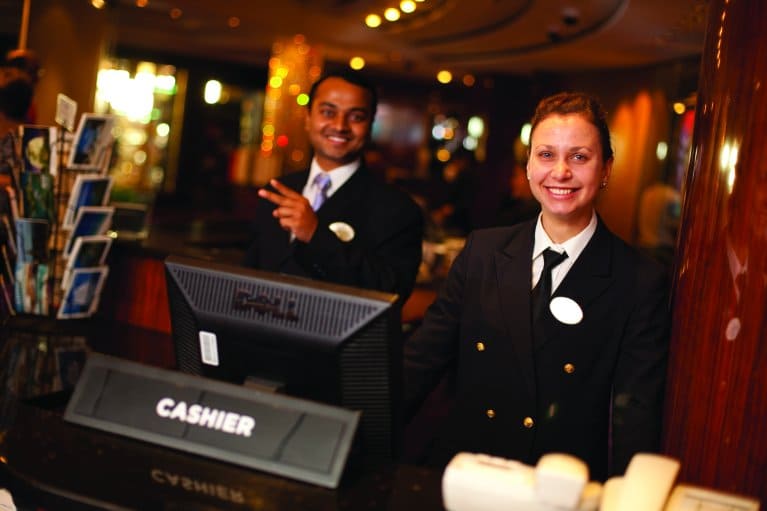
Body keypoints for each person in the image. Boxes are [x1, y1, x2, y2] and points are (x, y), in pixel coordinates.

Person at [403, 91, 670, 481]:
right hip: (467, 470)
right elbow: (421, 361)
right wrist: (358, 434)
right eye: (546, 155)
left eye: (579, 157)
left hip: (559, 488)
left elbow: (635, 414)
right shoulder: (484, 250)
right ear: (528, 165)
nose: (560, 172)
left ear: (606, 168)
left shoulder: (640, 279)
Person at [243, 70, 424, 302]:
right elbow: (250, 274)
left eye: (356, 117)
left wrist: (315, 235)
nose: (340, 126)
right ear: (308, 118)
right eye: (328, 112)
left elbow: (391, 292)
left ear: (370, 125)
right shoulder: (277, 190)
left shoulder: (398, 208)